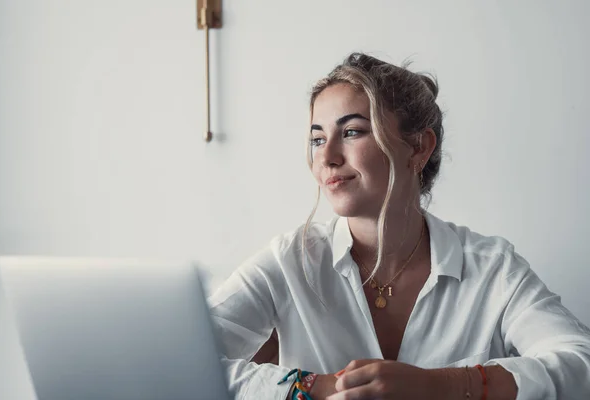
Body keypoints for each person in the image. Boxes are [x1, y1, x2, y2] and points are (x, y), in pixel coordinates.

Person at [208, 53, 590, 400]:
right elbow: (174, 362)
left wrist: (442, 385)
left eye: (352, 131)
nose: (327, 157)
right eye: (317, 138)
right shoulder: (289, 261)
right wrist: (315, 387)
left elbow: (580, 365)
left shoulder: (493, 268)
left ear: (419, 148)